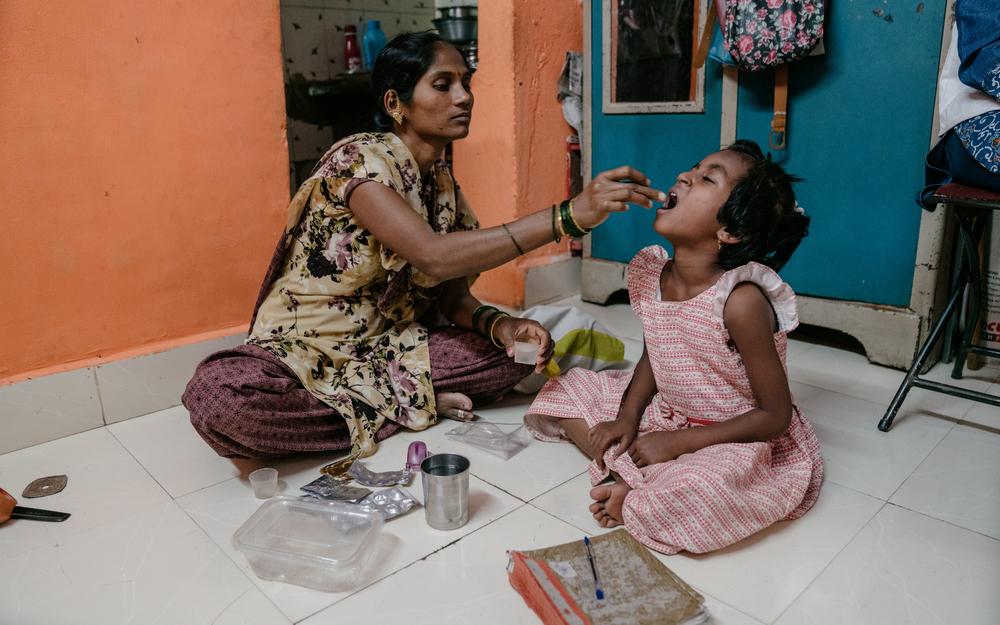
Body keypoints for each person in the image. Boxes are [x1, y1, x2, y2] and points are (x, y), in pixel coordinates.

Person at [182, 31, 665, 459]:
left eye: (466, 83)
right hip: (308, 348)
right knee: (221, 401)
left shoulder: (445, 190)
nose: (464, 97)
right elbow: (431, 254)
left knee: (511, 359)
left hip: (387, 351)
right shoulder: (359, 162)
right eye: (443, 84)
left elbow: (452, 299)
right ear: (396, 103)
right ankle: (401, 407)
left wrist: (503, 325)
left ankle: (390, 401)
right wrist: (566, 217)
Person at [524, 140, 823, 555]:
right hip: (669, 412)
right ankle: (629, 466)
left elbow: (775, 417)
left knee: (702, 490)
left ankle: (633, 481)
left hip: (733, 436)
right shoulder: (654, 275)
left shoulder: (741, 301)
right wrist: (628, 418)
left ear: (730, 231)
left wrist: (677, 445)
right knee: (565, 390)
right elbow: (656, 352)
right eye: (692, 168)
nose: (685, 176)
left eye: (707, 178)